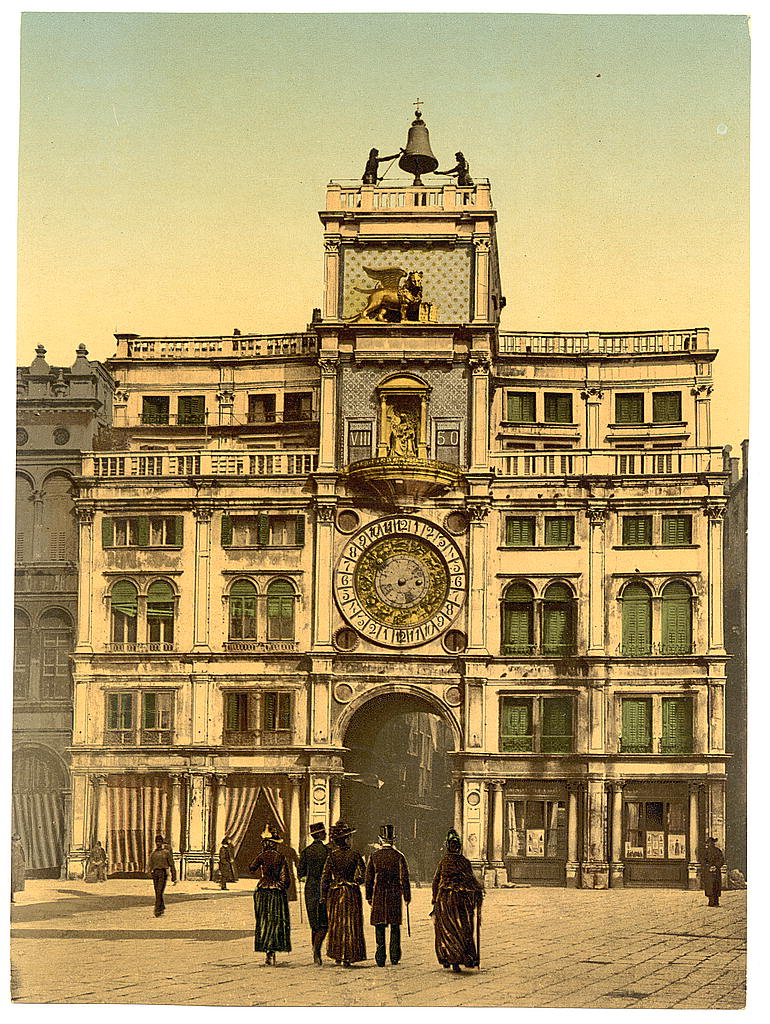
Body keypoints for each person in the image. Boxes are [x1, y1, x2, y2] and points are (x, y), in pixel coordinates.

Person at [431, 828, 483, 972]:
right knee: (463, 928)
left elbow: (436, 881)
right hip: (460, 900)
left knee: (446, 928)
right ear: (459, 847)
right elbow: (471, 880)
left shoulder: (443, 862)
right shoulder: (464, 862)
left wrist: (434, 899)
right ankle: (464, 957)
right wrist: (478, 892)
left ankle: (448, 957)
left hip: (445, 899)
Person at [320, 821, 367, 967]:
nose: (351, 840)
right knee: (351, 923)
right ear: (346, 839)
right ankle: (350, 955)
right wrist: (355, 881)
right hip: (351, 892)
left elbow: (325, 877)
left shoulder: (332, 856)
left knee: (337, 923)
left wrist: (323, 895)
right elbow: (364, 875)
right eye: (350, 837)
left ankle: (337, 954)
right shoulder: (355, 855)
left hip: (335, 892)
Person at [365, 824, 411, 967]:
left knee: (379, 926)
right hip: (394, 894)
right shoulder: (399, 856)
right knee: (395, 925)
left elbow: (369, 879)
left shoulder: (374, 856)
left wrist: (368, 896)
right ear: (394, 840)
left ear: (380, 839)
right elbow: (405, 878)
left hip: (379, 894)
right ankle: (395, 956)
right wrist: (407, 896)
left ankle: (380, 958)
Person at [249, 825, 291, 966]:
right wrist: (281, 886)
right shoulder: (280, 857)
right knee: (276, 922)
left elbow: (251, 868)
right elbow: (286, 879)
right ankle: (272, 951)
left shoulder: (261, 856)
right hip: (276, 892)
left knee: (263, 921)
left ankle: (267, 951)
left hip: (262, 891)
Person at [297, 822, 329, 965]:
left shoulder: (305, 852)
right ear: (321, 835)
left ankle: (315, 951)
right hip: (324, 889)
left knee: (314, 923)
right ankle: (317, 949)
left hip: (310, 888)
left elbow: (300, 874)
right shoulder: (328, 851)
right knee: (324, 923)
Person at [148, 833, 176, 917]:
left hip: (163, 873)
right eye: (157, 842)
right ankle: (161, 907)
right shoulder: (153, 853)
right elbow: (150, 864)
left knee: (159, 891)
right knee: (157, 892)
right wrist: (150, 872)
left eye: (160, 841)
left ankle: (157, 910)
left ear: (162, 842)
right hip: (155, 873)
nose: (158, 843)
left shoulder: (166, 853)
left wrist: (174, 877)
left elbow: (172, 864)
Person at [703, 836, 725, 907]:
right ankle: (712, 901)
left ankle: (714, 901)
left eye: (711, 843)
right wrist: (713, 866)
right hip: (712, 870)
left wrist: (714, 866)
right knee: (712, 886)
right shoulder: (707, 851)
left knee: (714, 886)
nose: (710, 844)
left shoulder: (716, 851)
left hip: (712, 871)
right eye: (709, 843)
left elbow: (721, 860)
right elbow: (703, 861)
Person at [11, 833, 25, 903]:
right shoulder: (12, 847)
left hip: (17, 867)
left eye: (19, 840)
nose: (18, 842)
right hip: (12, 867)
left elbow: (22, 857)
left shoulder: (19, 847)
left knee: (14, 882)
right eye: (16, 840)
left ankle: (12, 897)